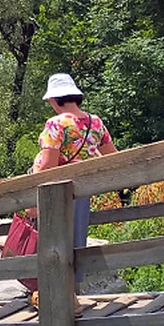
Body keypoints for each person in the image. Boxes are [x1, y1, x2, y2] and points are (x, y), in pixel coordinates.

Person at [30, 73, 117, 307]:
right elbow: (114, 158)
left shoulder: (56, 124)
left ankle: (63, 301)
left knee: (53, 242)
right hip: (83, 190)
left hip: (56, 191)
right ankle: (69, 296)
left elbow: (48, 165)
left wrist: (30, 198)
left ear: (56, 100)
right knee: (75, 242)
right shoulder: (95, 122)